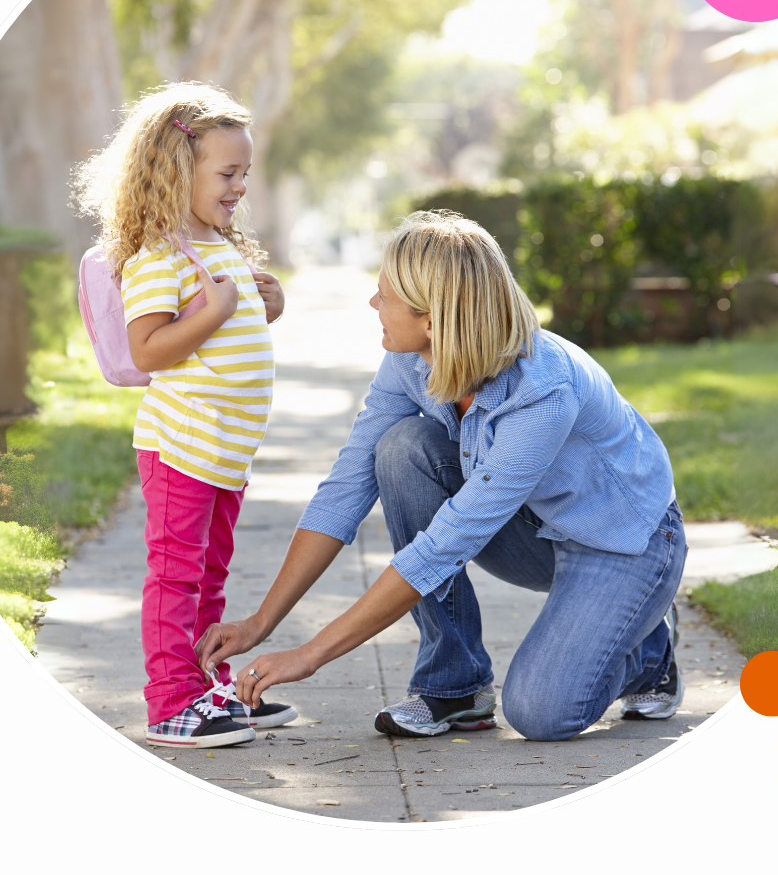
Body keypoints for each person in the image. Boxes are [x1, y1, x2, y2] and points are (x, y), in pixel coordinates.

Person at [195, 210, 688, 743]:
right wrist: (260, 623)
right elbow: (345, 489)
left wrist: (311, 655)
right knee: (401, 449)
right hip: (534, 529)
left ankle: (648, 651)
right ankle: (455, 686)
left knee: (540, 713)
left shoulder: (542, 392)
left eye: (385, 295)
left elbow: (442, 548)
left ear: (432, 319)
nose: (372, 304)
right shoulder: (411, 360)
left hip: (624, 543)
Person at [74, 82, 296, 748]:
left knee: (210, 576)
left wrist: (266, 303)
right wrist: (215, 312)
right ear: (177, 169)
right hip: (182, 447)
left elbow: (232, 329)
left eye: (245, 175)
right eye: (227, 174)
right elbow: (151, 347)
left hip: (225, 452)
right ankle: (171, 701)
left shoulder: (219, 246)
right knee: (176, 575)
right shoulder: (157, 256)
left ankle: (208, 686)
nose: (239, 188)